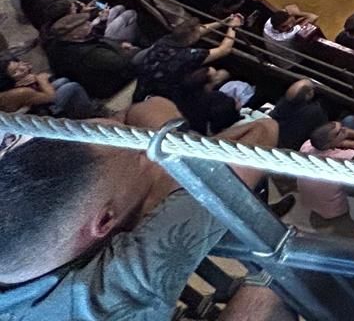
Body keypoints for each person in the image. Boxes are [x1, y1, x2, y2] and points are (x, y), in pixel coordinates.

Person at [0, 100, 289, 321]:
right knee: (283, 276)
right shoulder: (109, 292)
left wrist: (150, 179)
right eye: (139, 155)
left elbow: (140, 111)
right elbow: (261, 132)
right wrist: (159, 179)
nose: (146, 155)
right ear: (104, 220)